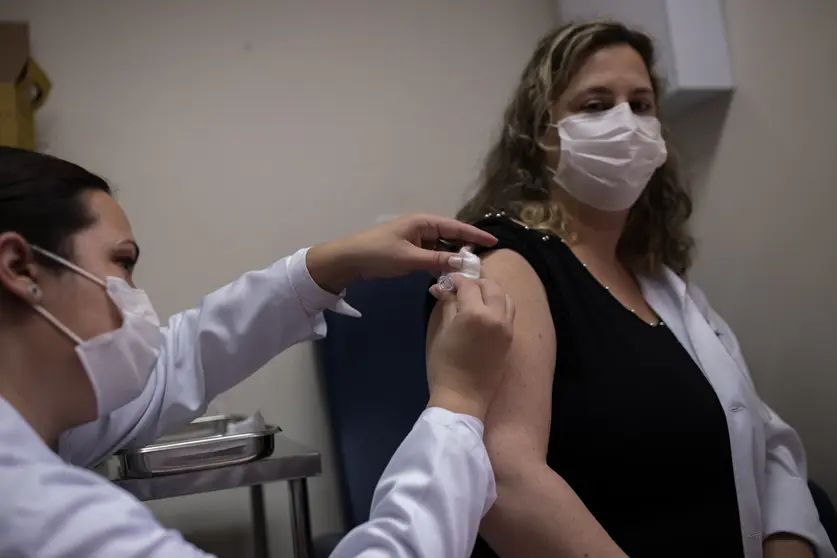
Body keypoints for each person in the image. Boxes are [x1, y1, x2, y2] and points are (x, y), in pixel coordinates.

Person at [426, 20, 835, 558]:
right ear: (540, 133)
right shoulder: (507, 260)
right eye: (595, 105)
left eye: (641, 105)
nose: (626, 123)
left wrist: (789, 542)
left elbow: (757, 435)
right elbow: (506, 480)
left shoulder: (658, 282)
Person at [0, 146, 511, 557]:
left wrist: (327, 265)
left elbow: (178, 363)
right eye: (123, 264)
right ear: (21, 268)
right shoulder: (35, 509)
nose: (136, 300)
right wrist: (459, 402)